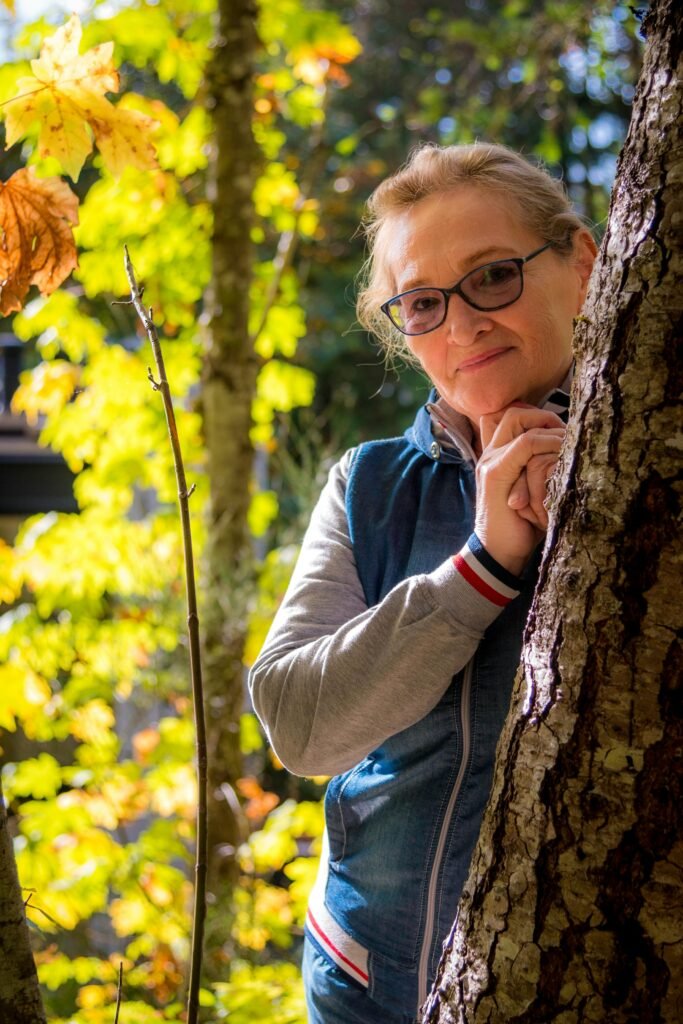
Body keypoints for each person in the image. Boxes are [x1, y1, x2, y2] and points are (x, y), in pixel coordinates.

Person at [249, 142, 597, 1024]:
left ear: (583, 263)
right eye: (422, 304)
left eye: (492, 277)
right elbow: (297, 722)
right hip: (366, 984)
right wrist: (478, 569)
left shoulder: (653, 468)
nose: (461, 326)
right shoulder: (366, 485)